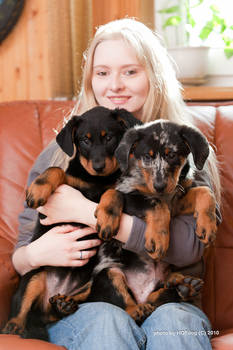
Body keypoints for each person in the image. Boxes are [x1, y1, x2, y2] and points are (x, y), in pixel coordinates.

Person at [12, 18, 221, 350]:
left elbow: (188, 248)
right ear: (89, 80)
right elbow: (21, 251)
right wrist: (35, 254)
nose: (115, 85)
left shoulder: (179, 144)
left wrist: (87, 211)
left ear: (154, 76)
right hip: (89, 304)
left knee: (175, 322)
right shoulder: (60, 153)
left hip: (170, 300)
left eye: (130, 71)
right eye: (102, 72)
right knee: (108, 319)